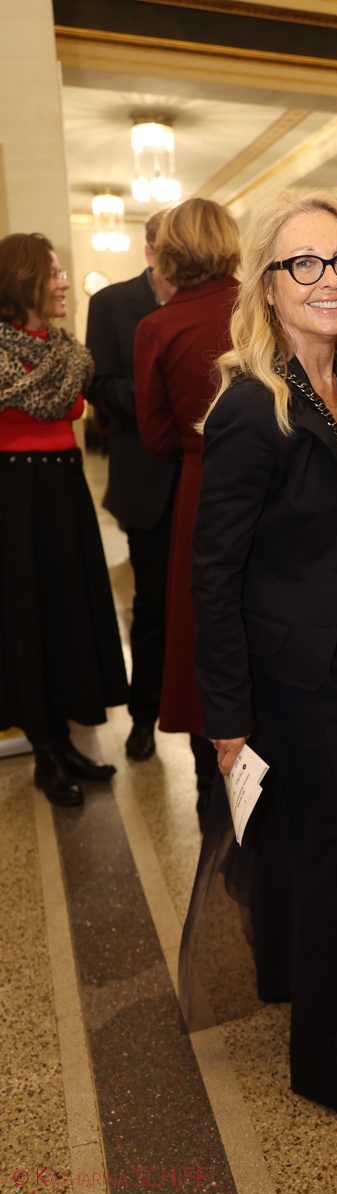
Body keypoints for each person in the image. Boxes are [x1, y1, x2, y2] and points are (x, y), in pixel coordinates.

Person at [179, 191, 337, 1126]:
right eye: (303, 263)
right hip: (295, 679)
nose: (329, 279)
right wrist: (228, 720)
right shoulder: (252, 405)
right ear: (267, 287)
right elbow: (213, 575)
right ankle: (333, 1067)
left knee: (309, 850)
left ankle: (292, 981)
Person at [0, 233, 127, 805]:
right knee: (26, 619)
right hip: (14, 497)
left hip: (65, 490)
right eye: (53, 273)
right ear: (23, 280)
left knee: (66, 614)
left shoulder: (68, 351)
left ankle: (64, 741)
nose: (64, 283)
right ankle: (45, 752)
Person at [135, 198, 239, 825]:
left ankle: (211, 787)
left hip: (203, 484)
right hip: (282, 479)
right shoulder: (264, 302)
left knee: (205, 623)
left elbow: (153, 437)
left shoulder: (159, 325)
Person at [85, 210, 178, 763]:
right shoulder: (111, 303)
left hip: (207, 478)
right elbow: (99, 385)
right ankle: (145, 716)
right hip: (146, 480)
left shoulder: (216, 300)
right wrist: (159, 395)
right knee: (152, 607)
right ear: (149, 252)